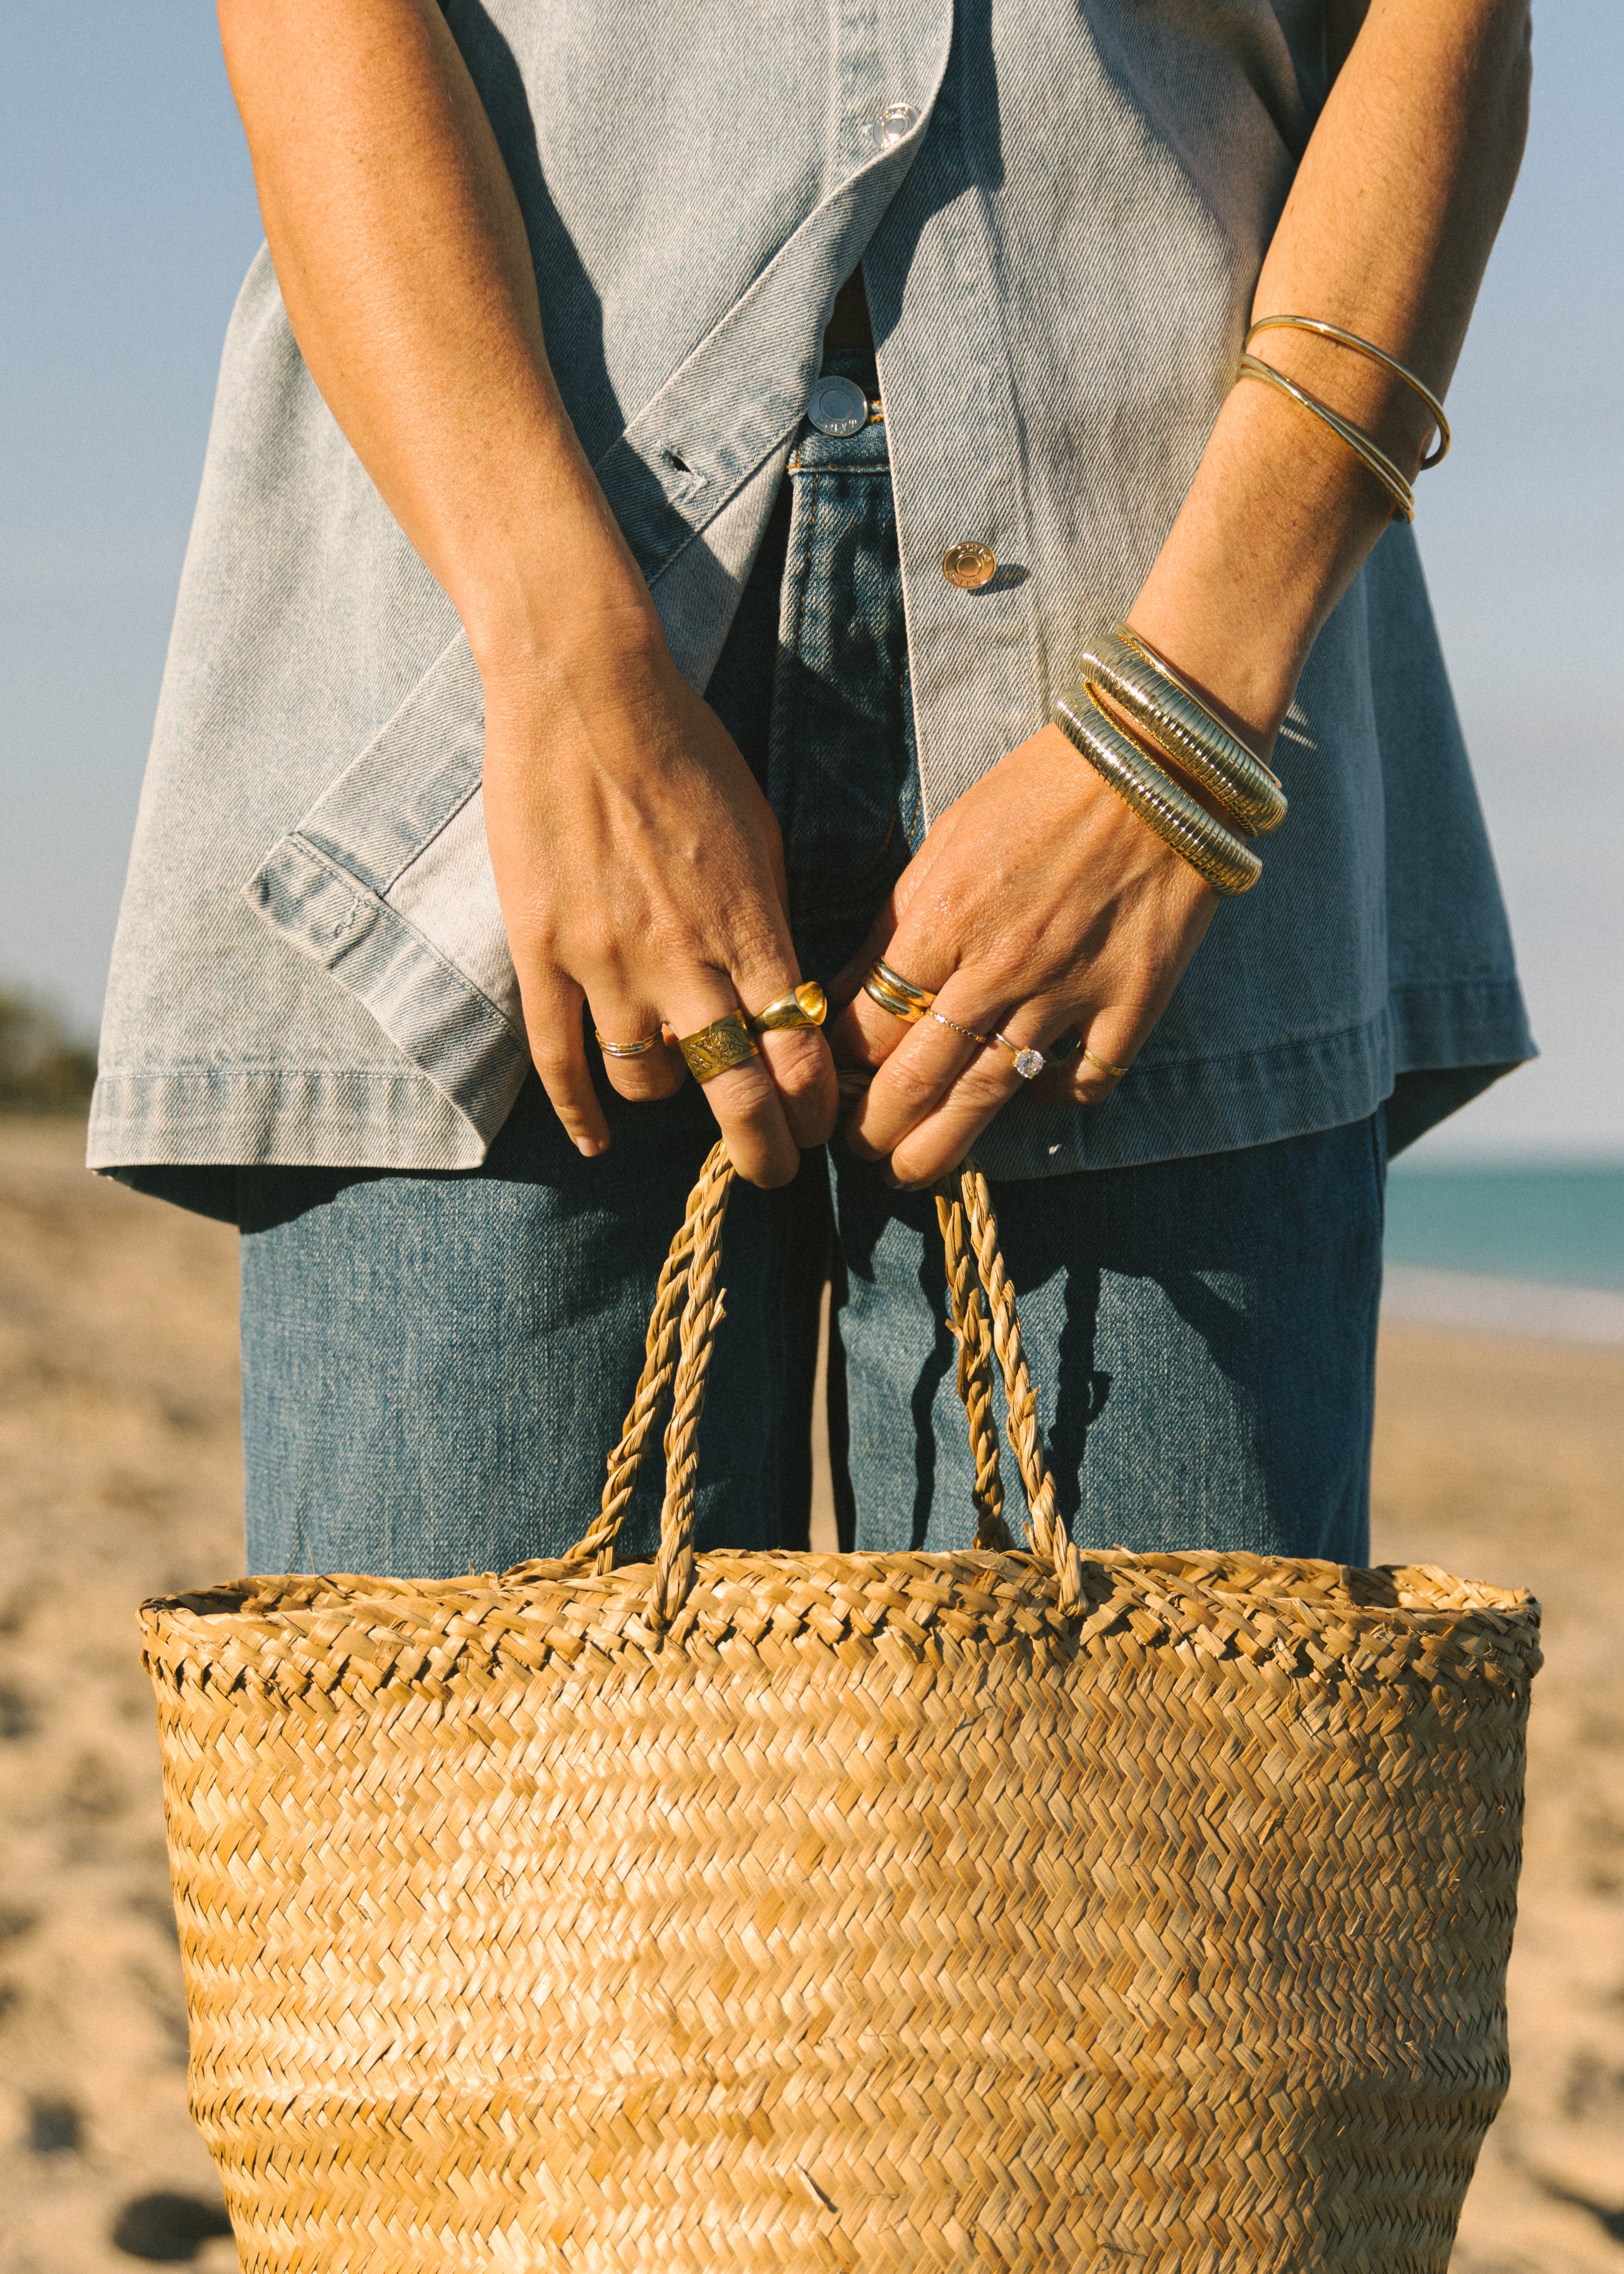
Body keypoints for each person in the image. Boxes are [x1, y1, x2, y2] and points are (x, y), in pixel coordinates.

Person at [91, 0, 1534, 1579]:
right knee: (470, 1743)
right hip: (468, 687)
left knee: (1149, 1739)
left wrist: (1178, 726)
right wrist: (564, 668)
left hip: (1170, 675)